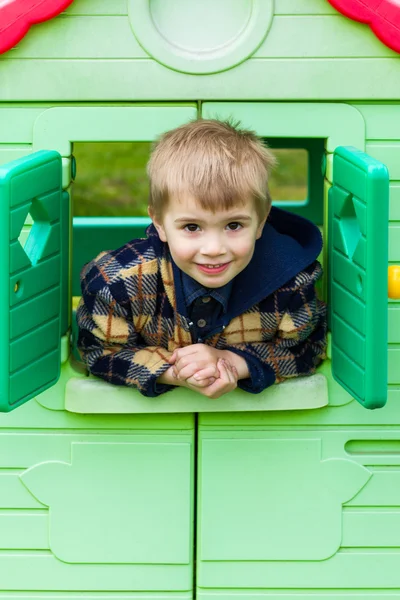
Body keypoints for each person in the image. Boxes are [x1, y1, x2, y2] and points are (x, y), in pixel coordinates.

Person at [77, 119, 327, 399]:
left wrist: (232, 362)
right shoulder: (115, 284)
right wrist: (176, 372)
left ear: (261, 220)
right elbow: (98, 350)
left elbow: (308, 347)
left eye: (233, 225)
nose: (214, 248)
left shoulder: (290, 281)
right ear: (159, 222)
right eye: (192, 227)